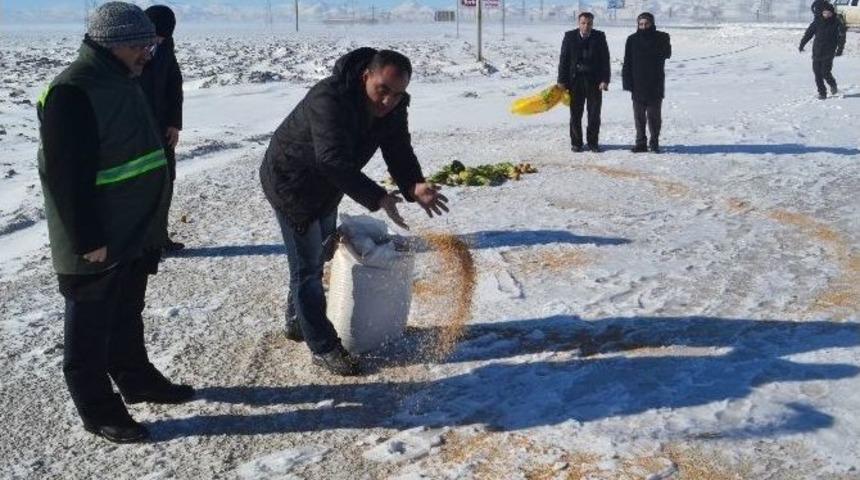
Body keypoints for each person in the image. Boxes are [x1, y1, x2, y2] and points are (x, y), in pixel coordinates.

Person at [37, 1, 194, 444]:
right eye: (143, 45)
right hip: (98, 236)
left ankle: (136, 378)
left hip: (132, 228)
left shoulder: (121, 77)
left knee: (126, 311)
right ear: (116, 43)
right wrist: (88, 237)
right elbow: (65, 175)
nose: (150, 53)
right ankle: (98, 409)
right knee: (89, 328)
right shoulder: (74, 90)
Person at [259, 48, 449, 376]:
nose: (388, 101)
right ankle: (323, 348)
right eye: (383, 91)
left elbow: (398, 148)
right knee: (306, 270)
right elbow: (331, 159)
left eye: (397, 93)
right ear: (366, 77)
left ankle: (297, 321)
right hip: (291, 182)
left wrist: (414, 185)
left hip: (328, 185)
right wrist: (377, 197)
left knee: (319, 255)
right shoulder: (328, 98)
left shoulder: (395, 105)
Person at [139, 4, 185, 252]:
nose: (160, 39)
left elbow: (174, 86)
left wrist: (174, 124)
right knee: (141, 185)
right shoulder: (130, 50)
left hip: (161, 128)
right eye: (157, 34)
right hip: (136, 130)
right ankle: (141, 242)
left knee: (166, 180)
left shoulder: (166, 47)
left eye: (164, 35)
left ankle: (160, 238)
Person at [557, 12, 611, 153]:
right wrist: (561, 81)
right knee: (575, 114)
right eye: (583, 23)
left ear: (592, 24)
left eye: (589, 23)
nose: (586, 26)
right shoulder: (569, 37)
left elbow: (605, 60)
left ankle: (593, 143)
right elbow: (564, 60)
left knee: (594, 113)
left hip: (594, 82)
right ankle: (577, 143)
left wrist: (605, 80)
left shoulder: (599, 37)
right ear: (578, 23)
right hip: (575, 81)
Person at [622, 12, 672, 153]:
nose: (643, 27)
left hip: (655, 83)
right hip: (637, 84)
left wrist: (654, 42)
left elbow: (667, 54)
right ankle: (641, 143)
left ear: (652, 23)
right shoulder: (631, 39)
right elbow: (627, 62)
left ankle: (654, 142)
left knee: (654, 116)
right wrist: (627, 82)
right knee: (639, 117)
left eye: (646, 24)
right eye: (641, 24)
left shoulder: (662, 37)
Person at [799, 3, 846, 100]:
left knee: (825, 72)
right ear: (822, 13)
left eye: (829, 13)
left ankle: (833, 84)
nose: (826, 15)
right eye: (825, 13)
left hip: (829, 51)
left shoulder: (837, 22)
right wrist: (802, 44)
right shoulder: (817, 22)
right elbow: (808, 34)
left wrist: (840, 49)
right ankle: (822, 93)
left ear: (832, 13)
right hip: (817, 50)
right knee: (817, 73)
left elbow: (842, 37)